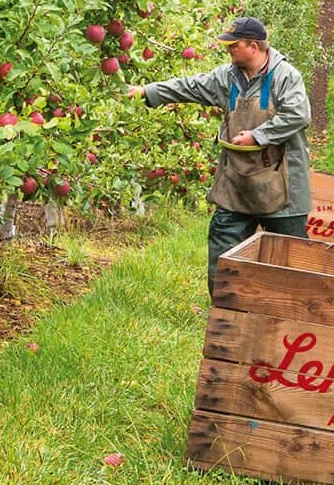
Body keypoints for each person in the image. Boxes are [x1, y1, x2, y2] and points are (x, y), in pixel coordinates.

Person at [124, 16, 313, 296]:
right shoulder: (227, 77)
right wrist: (147, 92)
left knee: (291, 261)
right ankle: (226, 316)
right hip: (237, 184)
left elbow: (298, 115)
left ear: (253, 46)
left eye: (233, 45)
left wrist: (257, 135)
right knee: (224, 260)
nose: (229, 50)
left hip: (283, 184)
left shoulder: (285, 76)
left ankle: (295, 320)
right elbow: (190, 86)